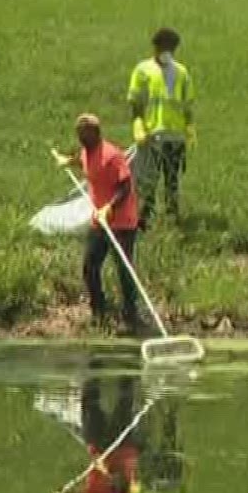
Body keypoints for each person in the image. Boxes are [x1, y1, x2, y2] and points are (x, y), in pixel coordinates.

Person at [53, 113, 142, 334]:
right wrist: (68, 161)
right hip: (100, 222)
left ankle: (131, 314)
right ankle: (99, 311)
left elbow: (125, 186)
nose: (80, 137)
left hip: (122, 222)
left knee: (124, 268)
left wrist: (110, 206)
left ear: (95, 133)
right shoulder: (87, 152)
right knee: (90, 266)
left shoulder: (112, 156)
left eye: (84, 133)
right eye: (78, 133)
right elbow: (82, 160)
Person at [127, 27, 197, 229]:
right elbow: (136, 102)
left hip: (175, 137)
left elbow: (187, 104)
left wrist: (190, 128)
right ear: (155, 48)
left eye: (171, 48)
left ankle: (172, 217)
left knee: (172, 179)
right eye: (164, 47)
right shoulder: (143, 70)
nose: (167, 51)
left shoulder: (182, 72)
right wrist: (138, 125)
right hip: (152, 136)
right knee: (148, 179)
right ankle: (142, 219)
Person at [72, 368, 142, 493]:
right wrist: (105, 469)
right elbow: (121, 485)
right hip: (120, 450)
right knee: (124, 402)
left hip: (98, 450)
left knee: (88, 407)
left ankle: (93, 364)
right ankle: (129, 364)